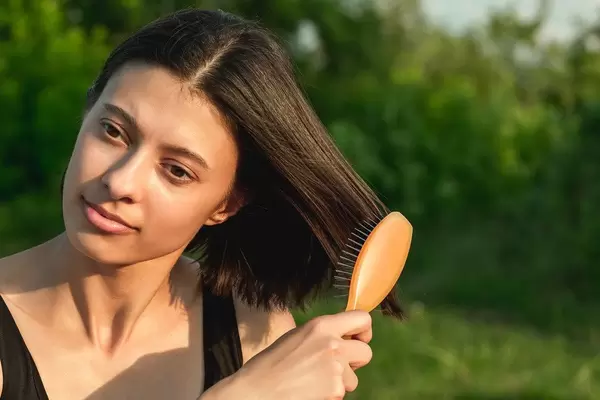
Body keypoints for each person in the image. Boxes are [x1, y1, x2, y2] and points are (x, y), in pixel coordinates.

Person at [0, 8, 402, 400]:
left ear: (226, 203)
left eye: (176, 170)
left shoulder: (251, 331)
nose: (120, 181)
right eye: (113, 131)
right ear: (87, 111)